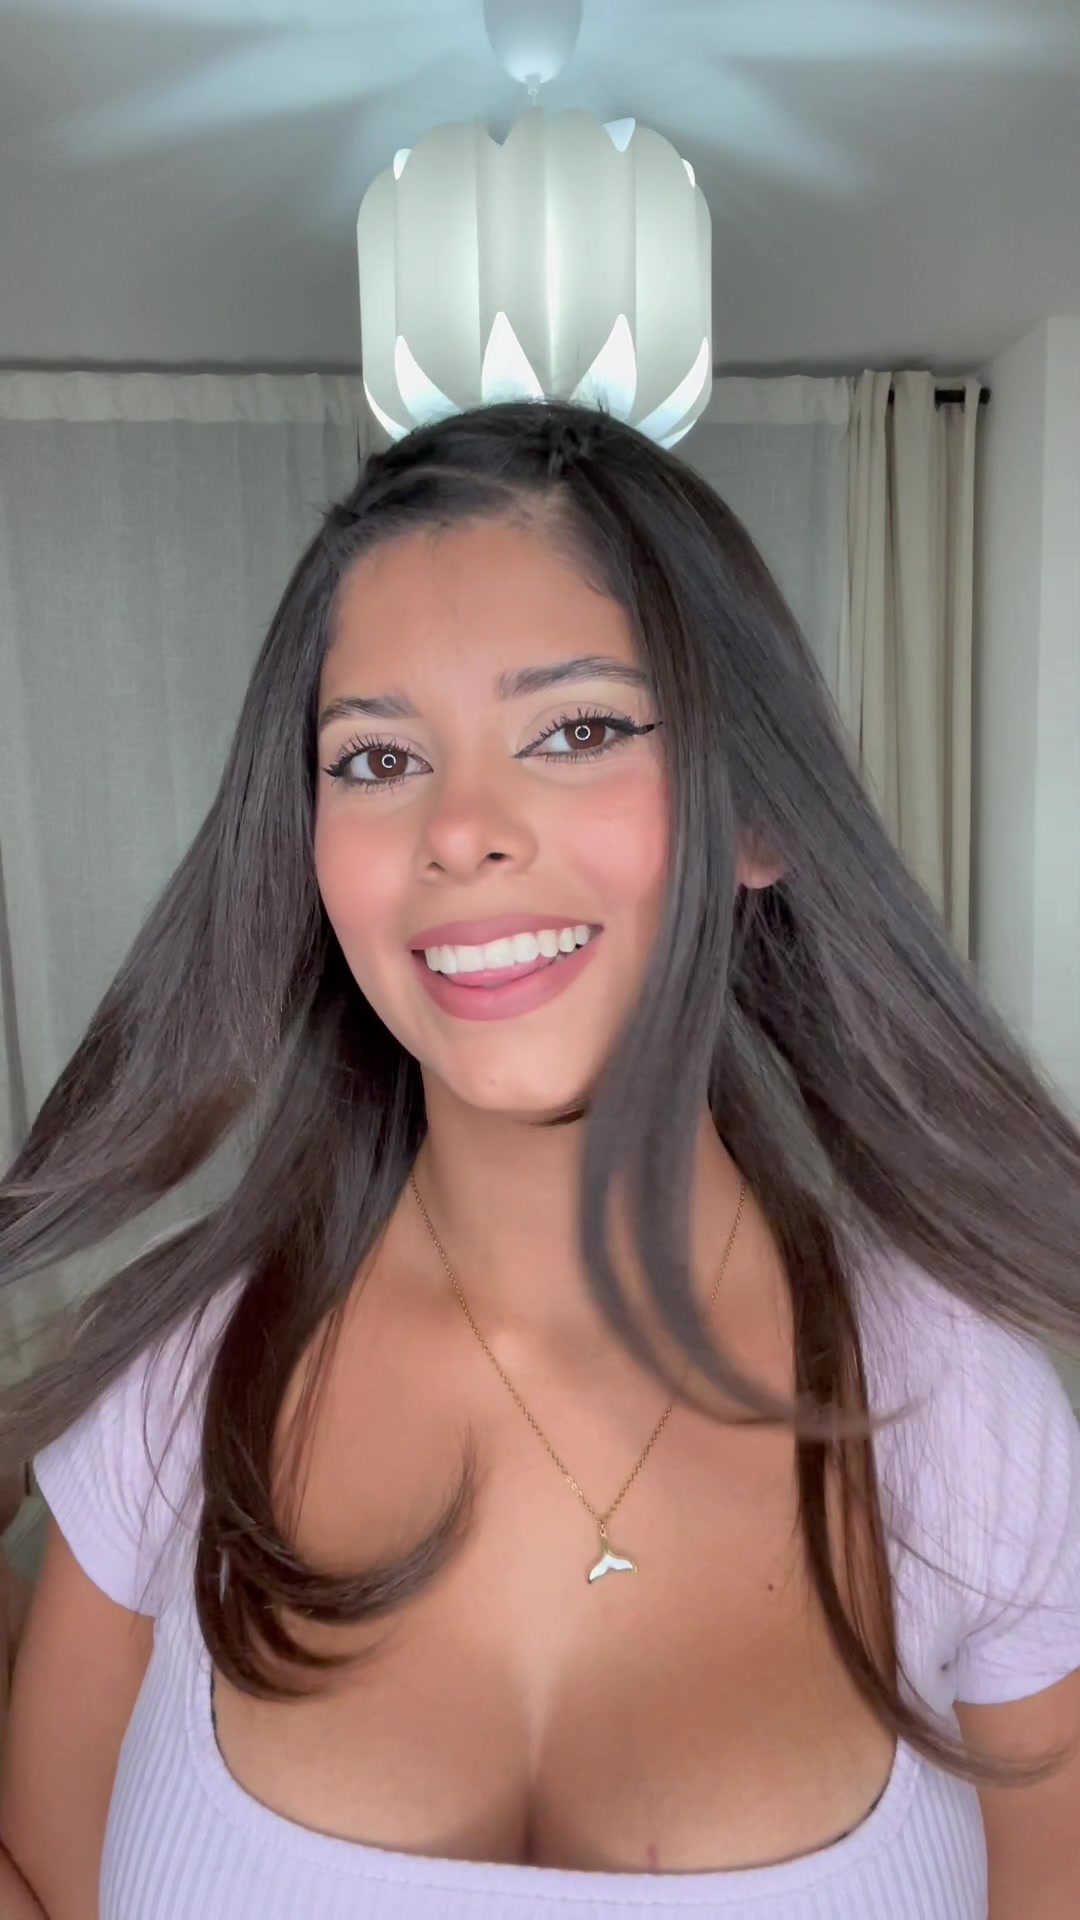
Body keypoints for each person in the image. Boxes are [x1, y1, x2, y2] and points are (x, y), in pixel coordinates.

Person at [0, 398, 1078, 1920]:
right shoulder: (178, 1380)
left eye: (576, 730)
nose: (461, 831)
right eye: (378, 757)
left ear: (758, 812)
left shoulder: (970, 1416)